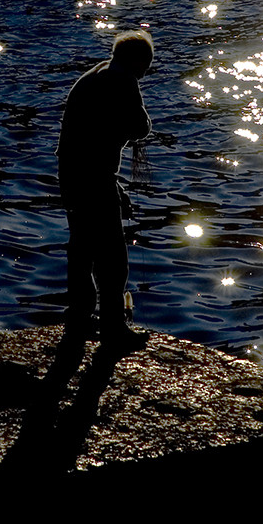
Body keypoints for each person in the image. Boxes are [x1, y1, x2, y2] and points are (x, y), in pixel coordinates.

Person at [57, 30, 153, 352]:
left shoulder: (95, 74)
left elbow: (92, 141)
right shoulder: (122, 79)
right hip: (92, 176)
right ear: (137, 61)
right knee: (113, 258)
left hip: (72, 173)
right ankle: (113, 328)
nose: (146, 72)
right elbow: (142, 127)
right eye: (146, 65)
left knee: (82, 250)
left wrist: (115, 189)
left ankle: (79, 321)